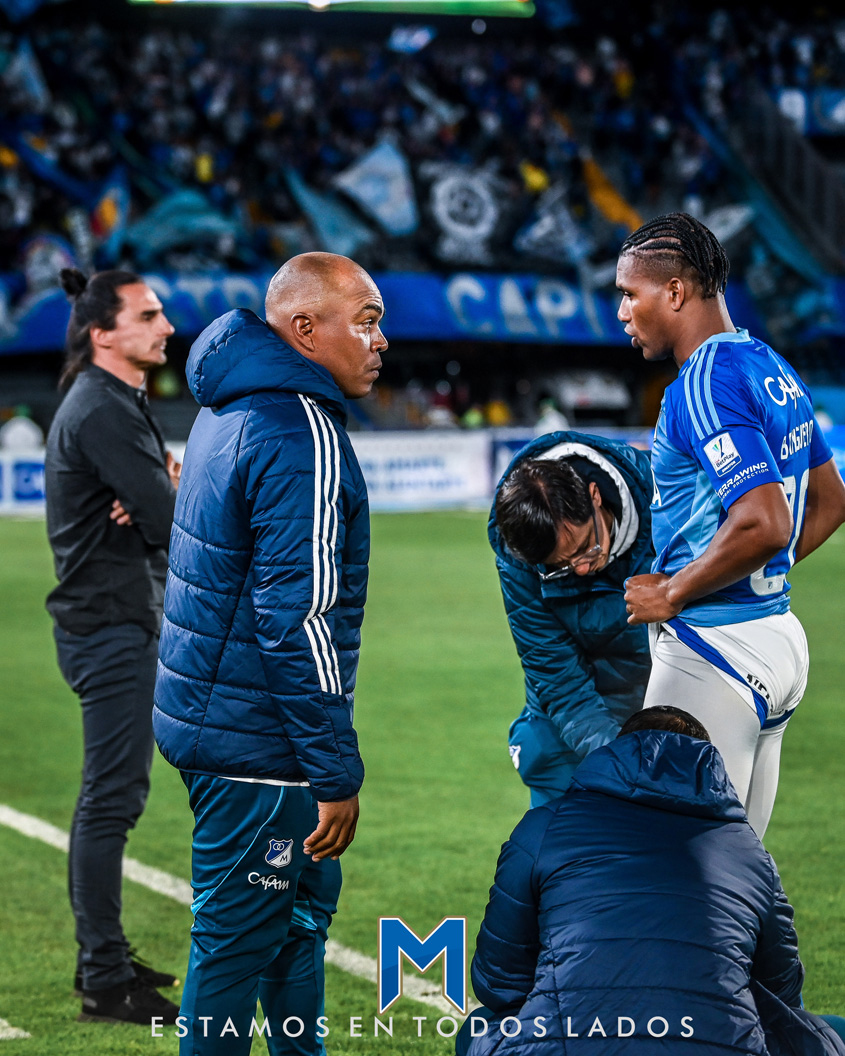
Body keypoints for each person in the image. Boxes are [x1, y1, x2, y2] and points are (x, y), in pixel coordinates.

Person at [153, 252, 386, 1055]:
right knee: (239, 938)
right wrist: (334, 770)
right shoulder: (298, 430)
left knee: (296, 920)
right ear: (305, 330)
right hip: (260, 744)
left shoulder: (228, 410)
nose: (380, 340)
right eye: (366, 321)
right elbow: (298, 617)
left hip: (218, 717)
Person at [617, 213, 845, 837]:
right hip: (777, 637)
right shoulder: (768, 364)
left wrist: (675, 590)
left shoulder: (701, 384)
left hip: (712, 649)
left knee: (676, 869)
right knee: (737, 868)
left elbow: (764, 522)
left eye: (629, 294)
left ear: (674, 292)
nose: (623, 312)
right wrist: (755, 577)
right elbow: (831, 502)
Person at [458, 706, 845, 1056]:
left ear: (615, 753)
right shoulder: (749, 852)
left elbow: (498, 980)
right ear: (707, 763)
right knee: (830, 1031)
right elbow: (782, 991)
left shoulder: (543, 827)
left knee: (478, 1026)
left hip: (568, 1041)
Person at [45, 268, 182, 1023]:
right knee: (110, 801)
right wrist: (167, 492)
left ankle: (107, 959)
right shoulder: (101, 407)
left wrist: (159, 489)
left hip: (116, 619)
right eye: (149, 315)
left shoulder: (112, 399)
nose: (167, 327)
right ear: (104, 333)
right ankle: (103, 978)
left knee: (113, 797)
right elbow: (168, 522)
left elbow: (156, 508)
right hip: (110, 627)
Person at [489, 431, 653, 805]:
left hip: (669, 705)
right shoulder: (519, 557)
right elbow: (559, 680)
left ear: (595, 496)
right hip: (570, 726)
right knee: (565, 833)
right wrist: (620, 763)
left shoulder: (665, 493)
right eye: (559, 566)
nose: (580, 569)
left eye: (584, 548)